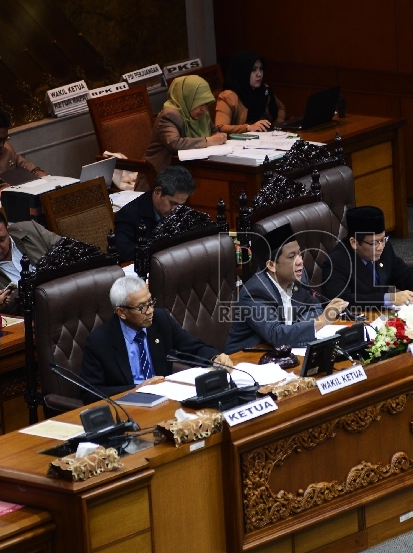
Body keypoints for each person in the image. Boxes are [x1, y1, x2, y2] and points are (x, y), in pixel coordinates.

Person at [80, 276, 234, 402]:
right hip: (129, 406)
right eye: (142, 307)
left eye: (150, 303)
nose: (150, 311)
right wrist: (136, 389)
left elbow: (192, 347)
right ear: (121, 312)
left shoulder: (161, 321)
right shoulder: (99, 342)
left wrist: (214, 357)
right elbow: (90, 393)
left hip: (166, 399)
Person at [225, 223, 348, 353]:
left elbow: (314, 307)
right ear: (272, 265)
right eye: (292, 257)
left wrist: (297, 328)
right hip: (245, 359)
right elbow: (277, 334)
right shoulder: (255, 292)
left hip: (283, 352)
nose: (300, 261)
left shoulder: (299, 275)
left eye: (299, 254)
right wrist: (320, 321)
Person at [321, 206, 413, 310]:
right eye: (374, 243)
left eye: (383, 239)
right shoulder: (336, 262)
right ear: (354, 242)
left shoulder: (385, 249)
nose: (381, 247)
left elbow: (403, 273)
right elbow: (343, 301)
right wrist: (390, 298)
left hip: (384, 316)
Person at [143, 75, 228, 174]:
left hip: (191, 170)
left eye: (206, 104)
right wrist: (208, 141)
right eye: (200, 103)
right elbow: (174, 143)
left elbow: (214, 131)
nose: (204, 109)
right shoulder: (169, 115)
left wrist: (219, 136)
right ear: (187, 99)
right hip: (160, 176)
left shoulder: (202, 114)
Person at [114, 166, 197, 262]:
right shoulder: (129, 214)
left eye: (181, 204)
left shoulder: (180, 208)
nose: (176, 209)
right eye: (172, 203)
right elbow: (122, 250)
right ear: (157, 192)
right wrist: (158, 248)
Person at [215, 50, 286, 134]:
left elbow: (280, 108)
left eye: (261, 69)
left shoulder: (263, 90)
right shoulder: (228, 96)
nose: (259, 74)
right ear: (242, 72)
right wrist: (248, 128)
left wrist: (277, 126)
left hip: (265, 139)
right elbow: (220, 127)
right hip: (239, 143)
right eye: (253, 70)